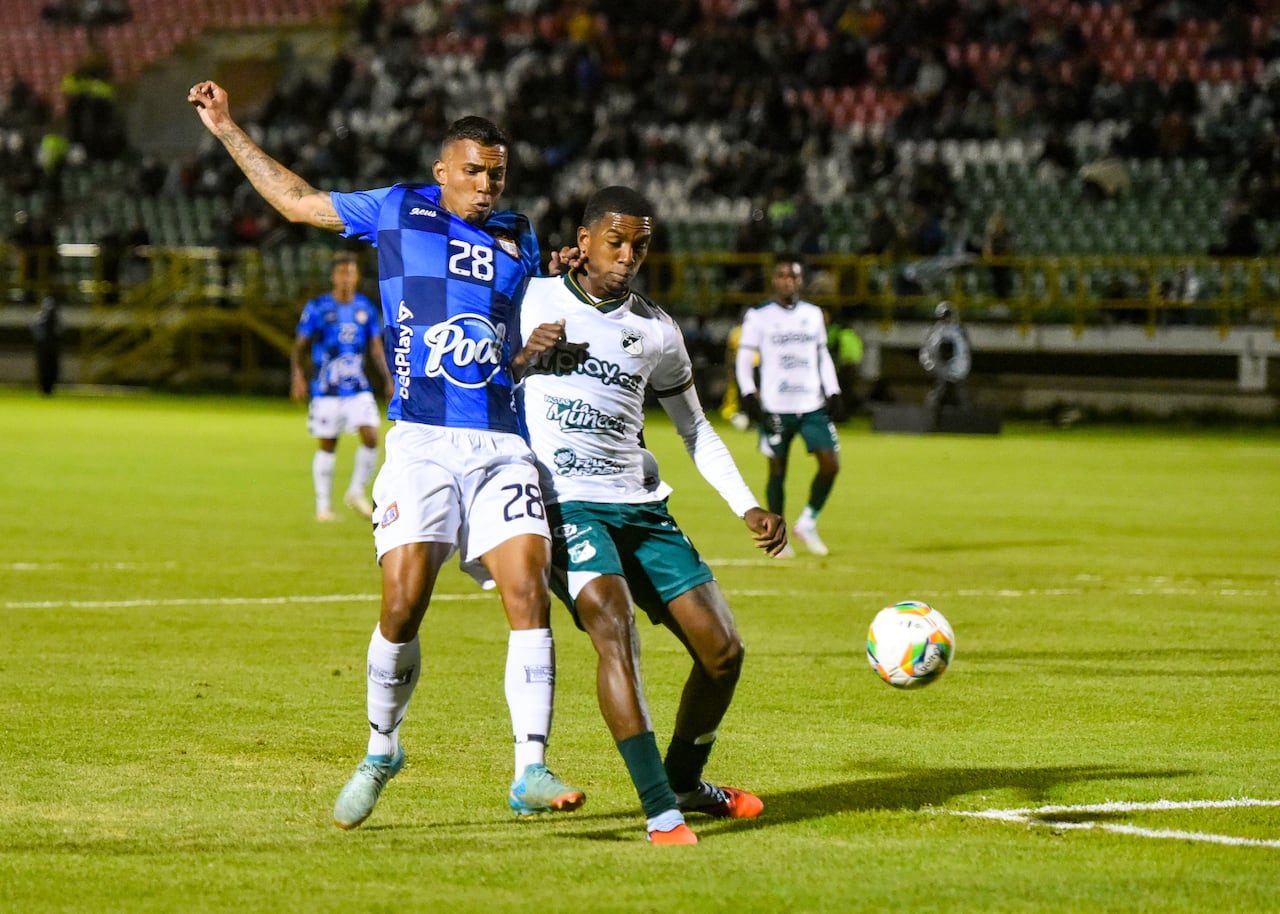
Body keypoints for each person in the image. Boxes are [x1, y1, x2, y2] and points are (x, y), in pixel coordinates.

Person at [188, 80, 584, 829]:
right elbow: (298, 202)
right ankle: (382, 748)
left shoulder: (521, 237)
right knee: (402, 605)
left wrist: (543, 337)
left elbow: (519, 338)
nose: (486, 185)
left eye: (497, 174)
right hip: (422, 439)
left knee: (526, 591)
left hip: (502, 440)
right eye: (473, 171)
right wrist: (227, 128)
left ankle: (529, 766)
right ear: (443, 171)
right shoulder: (400, 208)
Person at [512, 186, 787, 844]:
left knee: (723, 652)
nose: (628, 256)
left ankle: (685, 781)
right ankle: (661, 809)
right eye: (616, 242)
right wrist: (521, 361)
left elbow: (695, 429)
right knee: (616, 629)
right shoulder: (531, 298)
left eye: (640, 245)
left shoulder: (657, 331)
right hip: (566, 502)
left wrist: (747, 504)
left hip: (639, 504)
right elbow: (481, 373)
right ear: (583, 242)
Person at [735, 255, 841, 558]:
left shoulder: (813, 314)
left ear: (801, 280)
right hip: (775, 405)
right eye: (782, 276)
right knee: (777, 470)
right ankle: (778, 536)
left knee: (831, 464)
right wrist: (748, 393)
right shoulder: (759, 316)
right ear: (773, 280)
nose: (787, 282)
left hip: (811, 403)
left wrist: (833, 390)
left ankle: (807, 521)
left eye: (793, 276)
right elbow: (745, 358)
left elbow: (822, 355)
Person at [291, 251, 393, 522]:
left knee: (371, 435)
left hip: (357, 386)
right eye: (342, 273)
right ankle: (323, 507)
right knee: (328, 444)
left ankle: (356, 491)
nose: (347, 278)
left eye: (351, 273)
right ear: (333, 276)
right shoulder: (318, 307)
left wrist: (388, 378)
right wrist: (298, 376)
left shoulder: (365, 308)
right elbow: (299, 346)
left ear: (357, 276)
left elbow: (376, 347)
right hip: (326, 388)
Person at [918, 300, 973, 427]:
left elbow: (964, 352)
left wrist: (961, 368)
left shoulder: (959, 332)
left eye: (948, 315)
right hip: (940, 370)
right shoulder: (935, 332)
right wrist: (931, 365)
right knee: (937, 395)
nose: (946, 319)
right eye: (944, 316)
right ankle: (930, 422)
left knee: (960, 395)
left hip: (957, 370)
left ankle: (964, 423)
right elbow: (927, 351)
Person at [31, 295, 61, 395]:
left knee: (53, 369)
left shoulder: (56, 320)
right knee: (43, 369)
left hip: (53, 350)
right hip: (43, 351)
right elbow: (37, 334)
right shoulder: (39, 320)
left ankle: (50, 387)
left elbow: (60, 332)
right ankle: (43, 388)